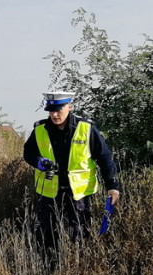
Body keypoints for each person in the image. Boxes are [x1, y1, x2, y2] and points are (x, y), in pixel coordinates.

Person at [22, 92, 121, 255]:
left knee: (80, 233)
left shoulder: (86, 128)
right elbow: (28, 153)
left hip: (78, 192)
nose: (54, 114)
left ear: (69, 107)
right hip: (49, 192)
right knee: (46, 234)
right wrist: (40, 163)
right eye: (50, 110)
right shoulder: (40, 129)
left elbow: (105, 157)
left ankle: (78, 268)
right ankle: (50, 270)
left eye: (58, 109)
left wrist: (112, 186)